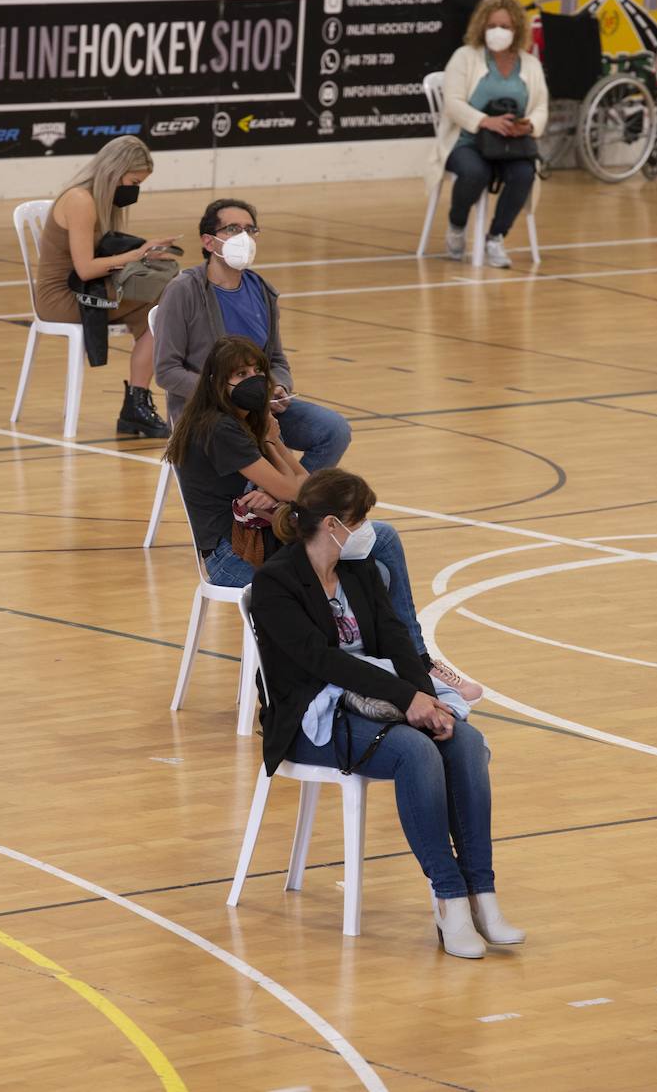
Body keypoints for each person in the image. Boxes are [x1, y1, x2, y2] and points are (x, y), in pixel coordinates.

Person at [251, 467, 525, 959]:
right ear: (333, 523)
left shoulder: (357, 571)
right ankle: (448, 900)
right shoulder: (277, 582)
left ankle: (482, 894)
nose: (367, 531)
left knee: (463, 741)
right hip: (314, 716)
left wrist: (429, 700)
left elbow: (399, 638)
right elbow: (323, 661)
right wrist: (408, 702)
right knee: (415, 752)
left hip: (379, 699)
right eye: (360, 520)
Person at [164, 334, 481, 703]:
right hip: (231, 558)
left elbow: (304, 485)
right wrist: (273, 453)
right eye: (239, 374)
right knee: (374, 559)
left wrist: (275, 445)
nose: (251, 380)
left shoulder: (243, 421)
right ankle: (405, 663)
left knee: (376, 554)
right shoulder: (219, 429)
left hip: (262, 538)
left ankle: (404, 663)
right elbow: (301, 493)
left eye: (256, 371)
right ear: (218, 383)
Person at [153, 197, 351, 470]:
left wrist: (278, 386)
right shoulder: (183, 290)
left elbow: (277, 360)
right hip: (209, 412)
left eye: (250, 230)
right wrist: (225, 394)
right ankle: (277, 500)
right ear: (209, 242)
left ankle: (287, 504)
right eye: (233, 229)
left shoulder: (262, 290)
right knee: (264, 444)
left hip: (259, 406)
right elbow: (166, 371)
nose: (244, 237)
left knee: (334, 429)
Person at [34, 135, 175, 438]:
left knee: (160, 303)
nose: (134, 189)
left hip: (86, 288)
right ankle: (137, 401)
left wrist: (144, 254)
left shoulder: (97, 199)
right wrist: (137, 255)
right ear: (115, 170)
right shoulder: (80, 200)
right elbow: (85, 268)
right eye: (133, 181)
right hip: (62, 296)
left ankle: (136, 403)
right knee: (166, 298)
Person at [434, 0, 548, 269]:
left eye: (506, 27)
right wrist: (486, 121)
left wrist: (528, 125)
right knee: (475, 173)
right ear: (482, 27)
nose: (498, 31)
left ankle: (495, 238)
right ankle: (457, 225)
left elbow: (541, 106)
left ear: (517, 30)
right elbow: (453, 103)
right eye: (492, 25)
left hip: (511, 145)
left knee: (524, 174)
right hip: (467, 141)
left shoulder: (530, 65)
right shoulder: (465, 57)